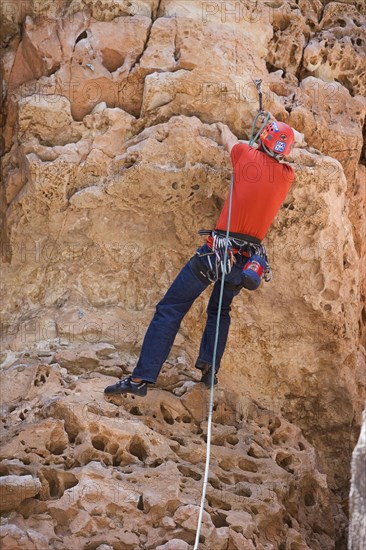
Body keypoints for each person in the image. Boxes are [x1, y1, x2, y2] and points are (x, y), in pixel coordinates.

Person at [104, 120, 295, 397]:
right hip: (244, 261)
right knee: (220, 311)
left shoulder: (245, 155)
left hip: (215, 254)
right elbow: (277, 154)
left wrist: (221, 126)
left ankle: (140, 380)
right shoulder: (287, 175)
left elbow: (229, 139)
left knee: (170, 308)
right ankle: (209, 370)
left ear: (263, 138)